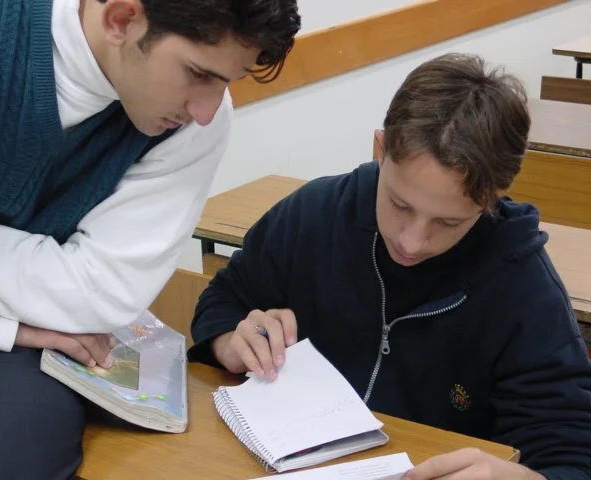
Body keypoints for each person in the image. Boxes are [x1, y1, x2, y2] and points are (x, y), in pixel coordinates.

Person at [188, 53, 591, 479]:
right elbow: (225, 297)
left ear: (491, 199)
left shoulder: (522, 287)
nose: (411, 242)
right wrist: (229, 340)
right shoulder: (314, 215)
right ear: (380, 149)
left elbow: (571, 453)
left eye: (448, 222)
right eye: (400, 204)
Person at [0, 0, 300, 478]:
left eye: (227, 81)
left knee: (18, 447)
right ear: (120, 19)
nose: (206, 110)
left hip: (28, 330)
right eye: (198, 73)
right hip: (18, 317)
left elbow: (98, 294)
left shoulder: (192, 127)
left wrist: (3, 330)